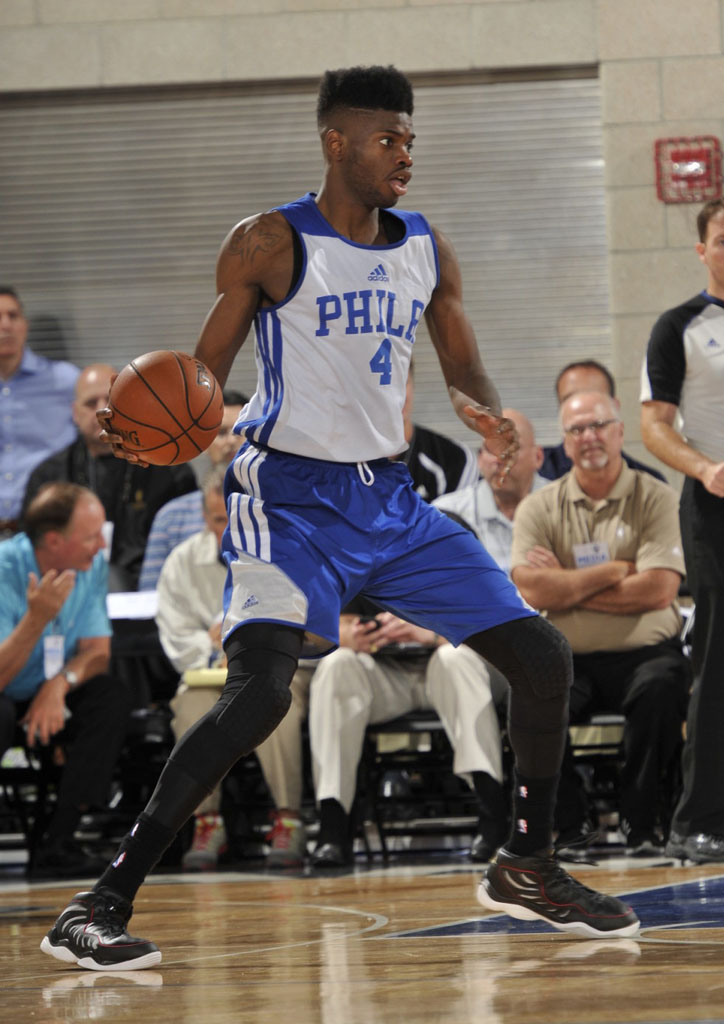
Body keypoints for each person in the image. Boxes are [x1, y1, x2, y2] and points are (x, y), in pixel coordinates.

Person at [42, 64, 638, 972]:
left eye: (410, 139)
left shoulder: (426, 246)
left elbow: (463, 364)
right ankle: (97, 903)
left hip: (390, 501)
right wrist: (156, 433)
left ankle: (527, 863)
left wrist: (483, 409)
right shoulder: (269, 243)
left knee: (540, 656)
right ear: (336, 142)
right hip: (288, 501)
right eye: (387, 139)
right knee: (258, 693)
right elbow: (199, 386)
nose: (405, 155)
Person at [511, 391, 690, 854]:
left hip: (647, 656)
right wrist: (615, 572)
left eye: (598, 425)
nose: (589, 437)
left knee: (664, 687)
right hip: (568, 658)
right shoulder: (538, 507)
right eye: (576, 430)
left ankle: (642, 823)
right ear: (564, 445)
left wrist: (566, 585)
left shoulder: (657, 497)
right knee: (527, 697)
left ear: (620, 431)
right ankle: (573, 826)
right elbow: (531, 589)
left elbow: (659, 590)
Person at [155, 465, 312, 870]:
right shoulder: (181, 561)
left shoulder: (284, 551)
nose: (222, 530)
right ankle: (207, 821)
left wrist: (238, 641)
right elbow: (174, 634)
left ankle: (288, 817)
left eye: (229, 519)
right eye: (214, 520)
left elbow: (304, 619)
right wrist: (213, 650)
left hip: (271, 668)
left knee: (276, 701)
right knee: (189, 707)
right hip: (209, 675)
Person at [640, 197, 724, 863]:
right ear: (702, 248)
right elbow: (654, 424)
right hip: (715, 505)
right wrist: (706, 468)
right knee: (717, 663)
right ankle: (699, 820)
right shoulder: (680, 327)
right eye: (722, 238)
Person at [309, 596, 511, 867]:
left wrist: (434, 631)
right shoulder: (361, 558)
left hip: (454, 661)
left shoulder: (449, 554)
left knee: (454, 659)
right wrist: (354, 633)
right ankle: (333, 828)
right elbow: (337, 621)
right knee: (337, 665)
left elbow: (491, 617)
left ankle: (493, 815)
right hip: (388, 671)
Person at [0, 482, 132, 878]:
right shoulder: (5, 568)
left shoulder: (88, 569)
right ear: (54, 540)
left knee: (110, 698)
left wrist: (58, 685)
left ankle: (61, 839)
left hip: (50, 687)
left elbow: (97, 652)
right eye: (91, 537)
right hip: (6, 690)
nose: (100, 547)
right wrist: (36, 618)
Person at [22, 363, 198, 591]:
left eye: (109, 401)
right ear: (75, 413)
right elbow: (37, 545)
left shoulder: (168, 467)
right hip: (72, 589)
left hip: (156, 589)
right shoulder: (49, 477)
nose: (101, 410)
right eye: (90, 403)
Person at [138, 389, 247, 590]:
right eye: (221, 433)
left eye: (239, 432)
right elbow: (150, 598)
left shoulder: (279, 509)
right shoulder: (171, 518)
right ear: (204, 443)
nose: (231, 441)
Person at [0, 286, 79, 534]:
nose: (5, 325)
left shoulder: (65, 381)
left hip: (47, 530)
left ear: (25, 324)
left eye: (13, 316)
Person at [540, 359, 665, 483]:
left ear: (615, 407)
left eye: (595, 399)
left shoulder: (650, 486)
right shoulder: (537, 471)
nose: (581, 407)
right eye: (570, 400)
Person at [394, 359, 478, 500]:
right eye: (384, 386)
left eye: (402, 382)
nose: (397, 396)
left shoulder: (456, 461)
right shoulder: (346, 462)